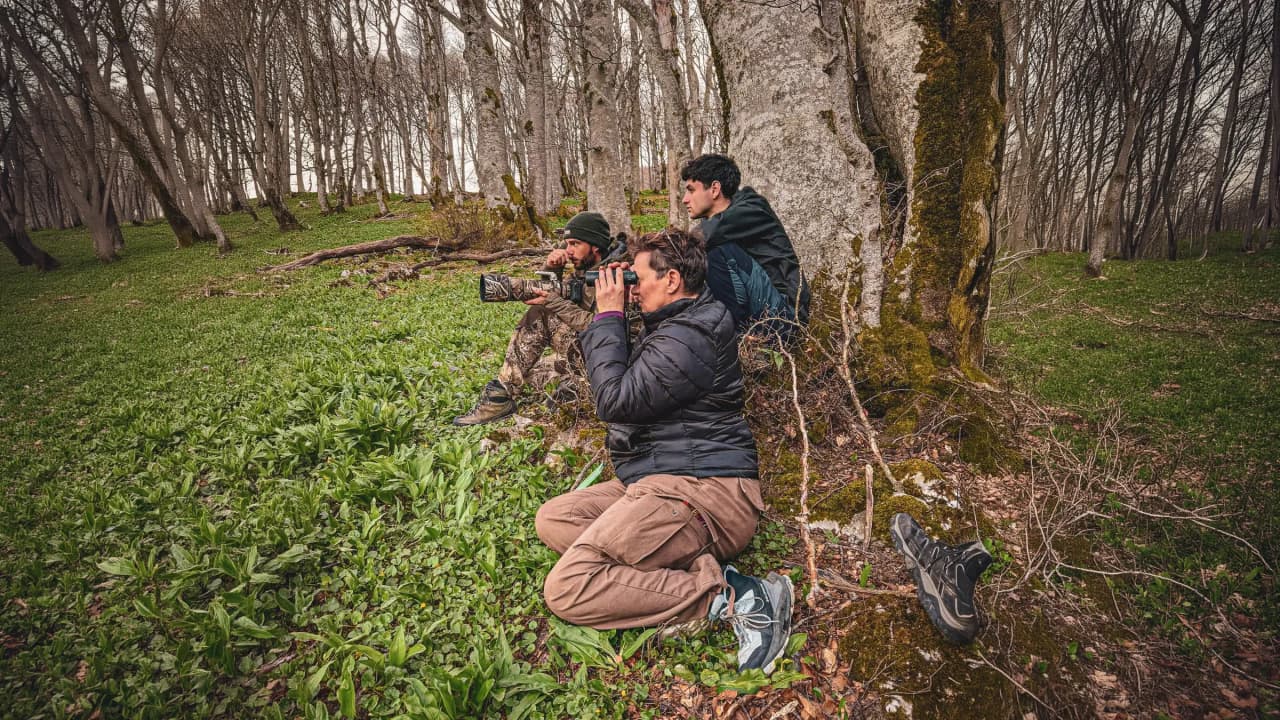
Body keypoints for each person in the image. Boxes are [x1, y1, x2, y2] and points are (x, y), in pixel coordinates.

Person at [535, 228, 794, 673]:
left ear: (672, 280)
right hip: (659, 478)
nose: (630, 291)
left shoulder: (690, 336)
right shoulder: (674, 323)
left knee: (567, 587)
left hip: (707, 491)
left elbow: (615, 400)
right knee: (554, 518)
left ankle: (734, 598)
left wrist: (609, 317)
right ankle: (682, 566)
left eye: (636, 279)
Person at [454, 211, 615, 426]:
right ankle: (558, 385)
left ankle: (501, 397)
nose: (569, 250)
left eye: (575, 243)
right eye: (567, 244)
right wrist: (552, 269)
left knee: (542, 312)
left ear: (595, 245)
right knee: (529, 372)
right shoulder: (585, 269)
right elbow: (567, 298)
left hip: (609, 357)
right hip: (589, 353)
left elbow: (601, 327)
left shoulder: (615, 275)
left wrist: (551, 302)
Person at [680, 154, 811, 342]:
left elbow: (696, 240)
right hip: (761, 309)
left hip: (785, 318)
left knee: (713, 251)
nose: (685, 199)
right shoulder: (717, 225)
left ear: (715, 189)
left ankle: (733, 340)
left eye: (691, 190)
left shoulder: (751, 209)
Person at [890, 512, 993, 644]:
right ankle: (956, 588)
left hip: (952, 580)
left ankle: (943, 566)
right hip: (962, 611)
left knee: (973, 557)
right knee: (976, 554)